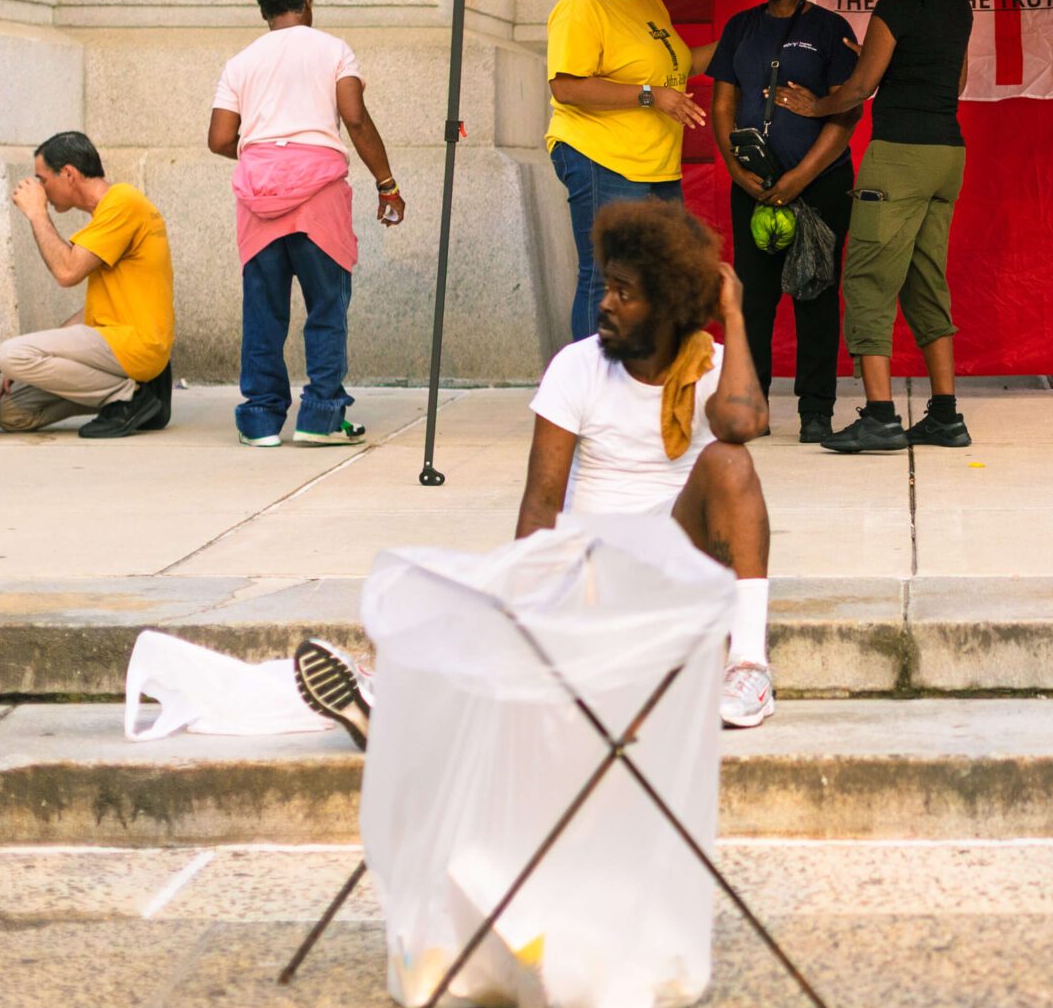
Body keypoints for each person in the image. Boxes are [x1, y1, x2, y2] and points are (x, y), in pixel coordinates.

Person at [296, 202, 780, 742]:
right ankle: (384, 698)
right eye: (608, 287)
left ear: (667, 306)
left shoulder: (709, 365)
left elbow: (742, 422)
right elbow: (540, 506)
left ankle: (748, 669)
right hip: (590, 569)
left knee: (729, 459)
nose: (607, 304)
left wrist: (733, 317)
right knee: (468, 592)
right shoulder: (577, 366)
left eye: (625, 293)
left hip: (674, 567)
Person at [777, 0, 974, 455]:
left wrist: (816, 103)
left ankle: (881, 415)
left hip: (900, 159)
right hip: (947, 154)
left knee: (866, 278)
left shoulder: (896, 5)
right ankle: (945, 415)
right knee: (923, 278)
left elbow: (859, 89)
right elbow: (954, 78)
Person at [208, 0, 406, 448]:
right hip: (318, 197)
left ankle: (259, 420)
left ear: (263, 11)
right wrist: (386, 183)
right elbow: (355, 118)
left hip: (258, 198)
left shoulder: (240, 62)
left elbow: (218, 139)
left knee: (263, 314)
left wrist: (265, 154)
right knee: (326, 308)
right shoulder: (333, 50)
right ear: (309, 0)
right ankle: (321, 417)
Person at [708, 0, 861, 444]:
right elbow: (723, 103)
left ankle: (816, 409)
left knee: (814, 294)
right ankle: (750, 403)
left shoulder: (829, 29)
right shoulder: (740, 28)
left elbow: (846, 115)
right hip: (753, 184)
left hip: (818, 186)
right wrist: (735, 169)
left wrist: (799, 177)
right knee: (753, 300)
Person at [545, 0, 712, 343]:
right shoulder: (582, 5)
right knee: (605, 277)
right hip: (603, 158)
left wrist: (737, 37)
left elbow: (679, 66)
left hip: (655, 163)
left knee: (660, 273)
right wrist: (649, 96)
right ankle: (591, 391)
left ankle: (639, 379)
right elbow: (566, 87)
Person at [0, 132, 176, 438]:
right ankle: (127, 402)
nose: (42, 189)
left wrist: (37, 213)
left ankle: (129, 395)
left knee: (10, 355)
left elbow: (67, 272)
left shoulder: (123, 202)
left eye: (43, 179)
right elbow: (98, 308)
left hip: (135, 344)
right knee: (11, 413)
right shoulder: (104, 216)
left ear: (68, 174)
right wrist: (48, 352)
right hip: (110, 342)